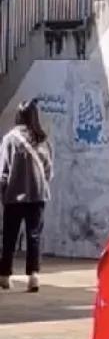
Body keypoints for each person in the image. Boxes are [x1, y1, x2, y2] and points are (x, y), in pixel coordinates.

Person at [0, 100, 53, 293]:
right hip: (38, 196)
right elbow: (49, 169)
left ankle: (5, 276)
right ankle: (33, 277)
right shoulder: (42, 139)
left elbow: (3, 171)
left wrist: (3, 193)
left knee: (9, 237)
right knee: (34, 236)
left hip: (14, 197)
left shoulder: (10, 139)